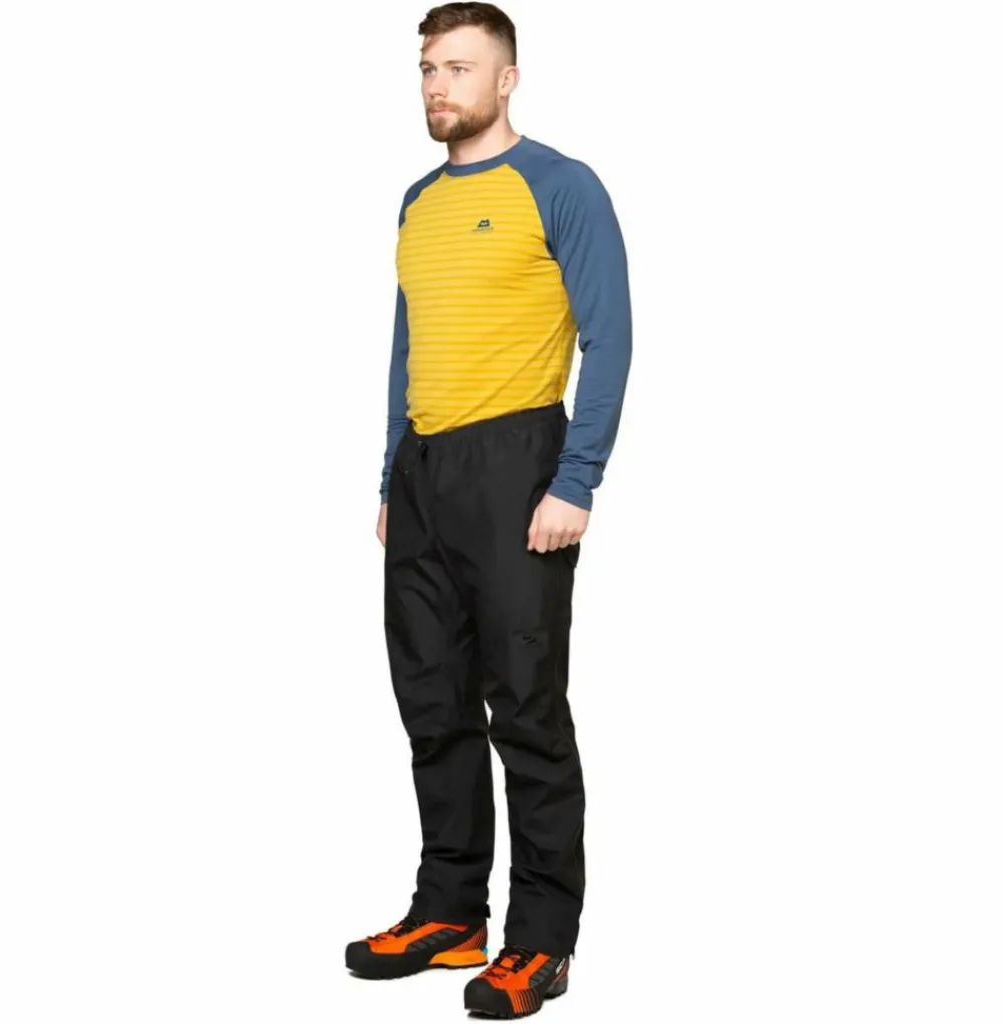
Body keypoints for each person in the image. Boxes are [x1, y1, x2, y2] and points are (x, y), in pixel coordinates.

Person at [345, 3, 632, 1017]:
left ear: (506, 79)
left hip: (518, 462)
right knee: (430, 700)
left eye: (459, 68)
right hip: (425, 472)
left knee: (526, 709)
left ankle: (540, 938)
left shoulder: (560, 185)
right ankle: (449, 911)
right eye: (429, 67)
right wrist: (392, 478)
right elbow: (407, 345)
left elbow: (610, 336)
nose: (438, 85)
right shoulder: (417, 202)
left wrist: (576, 479)